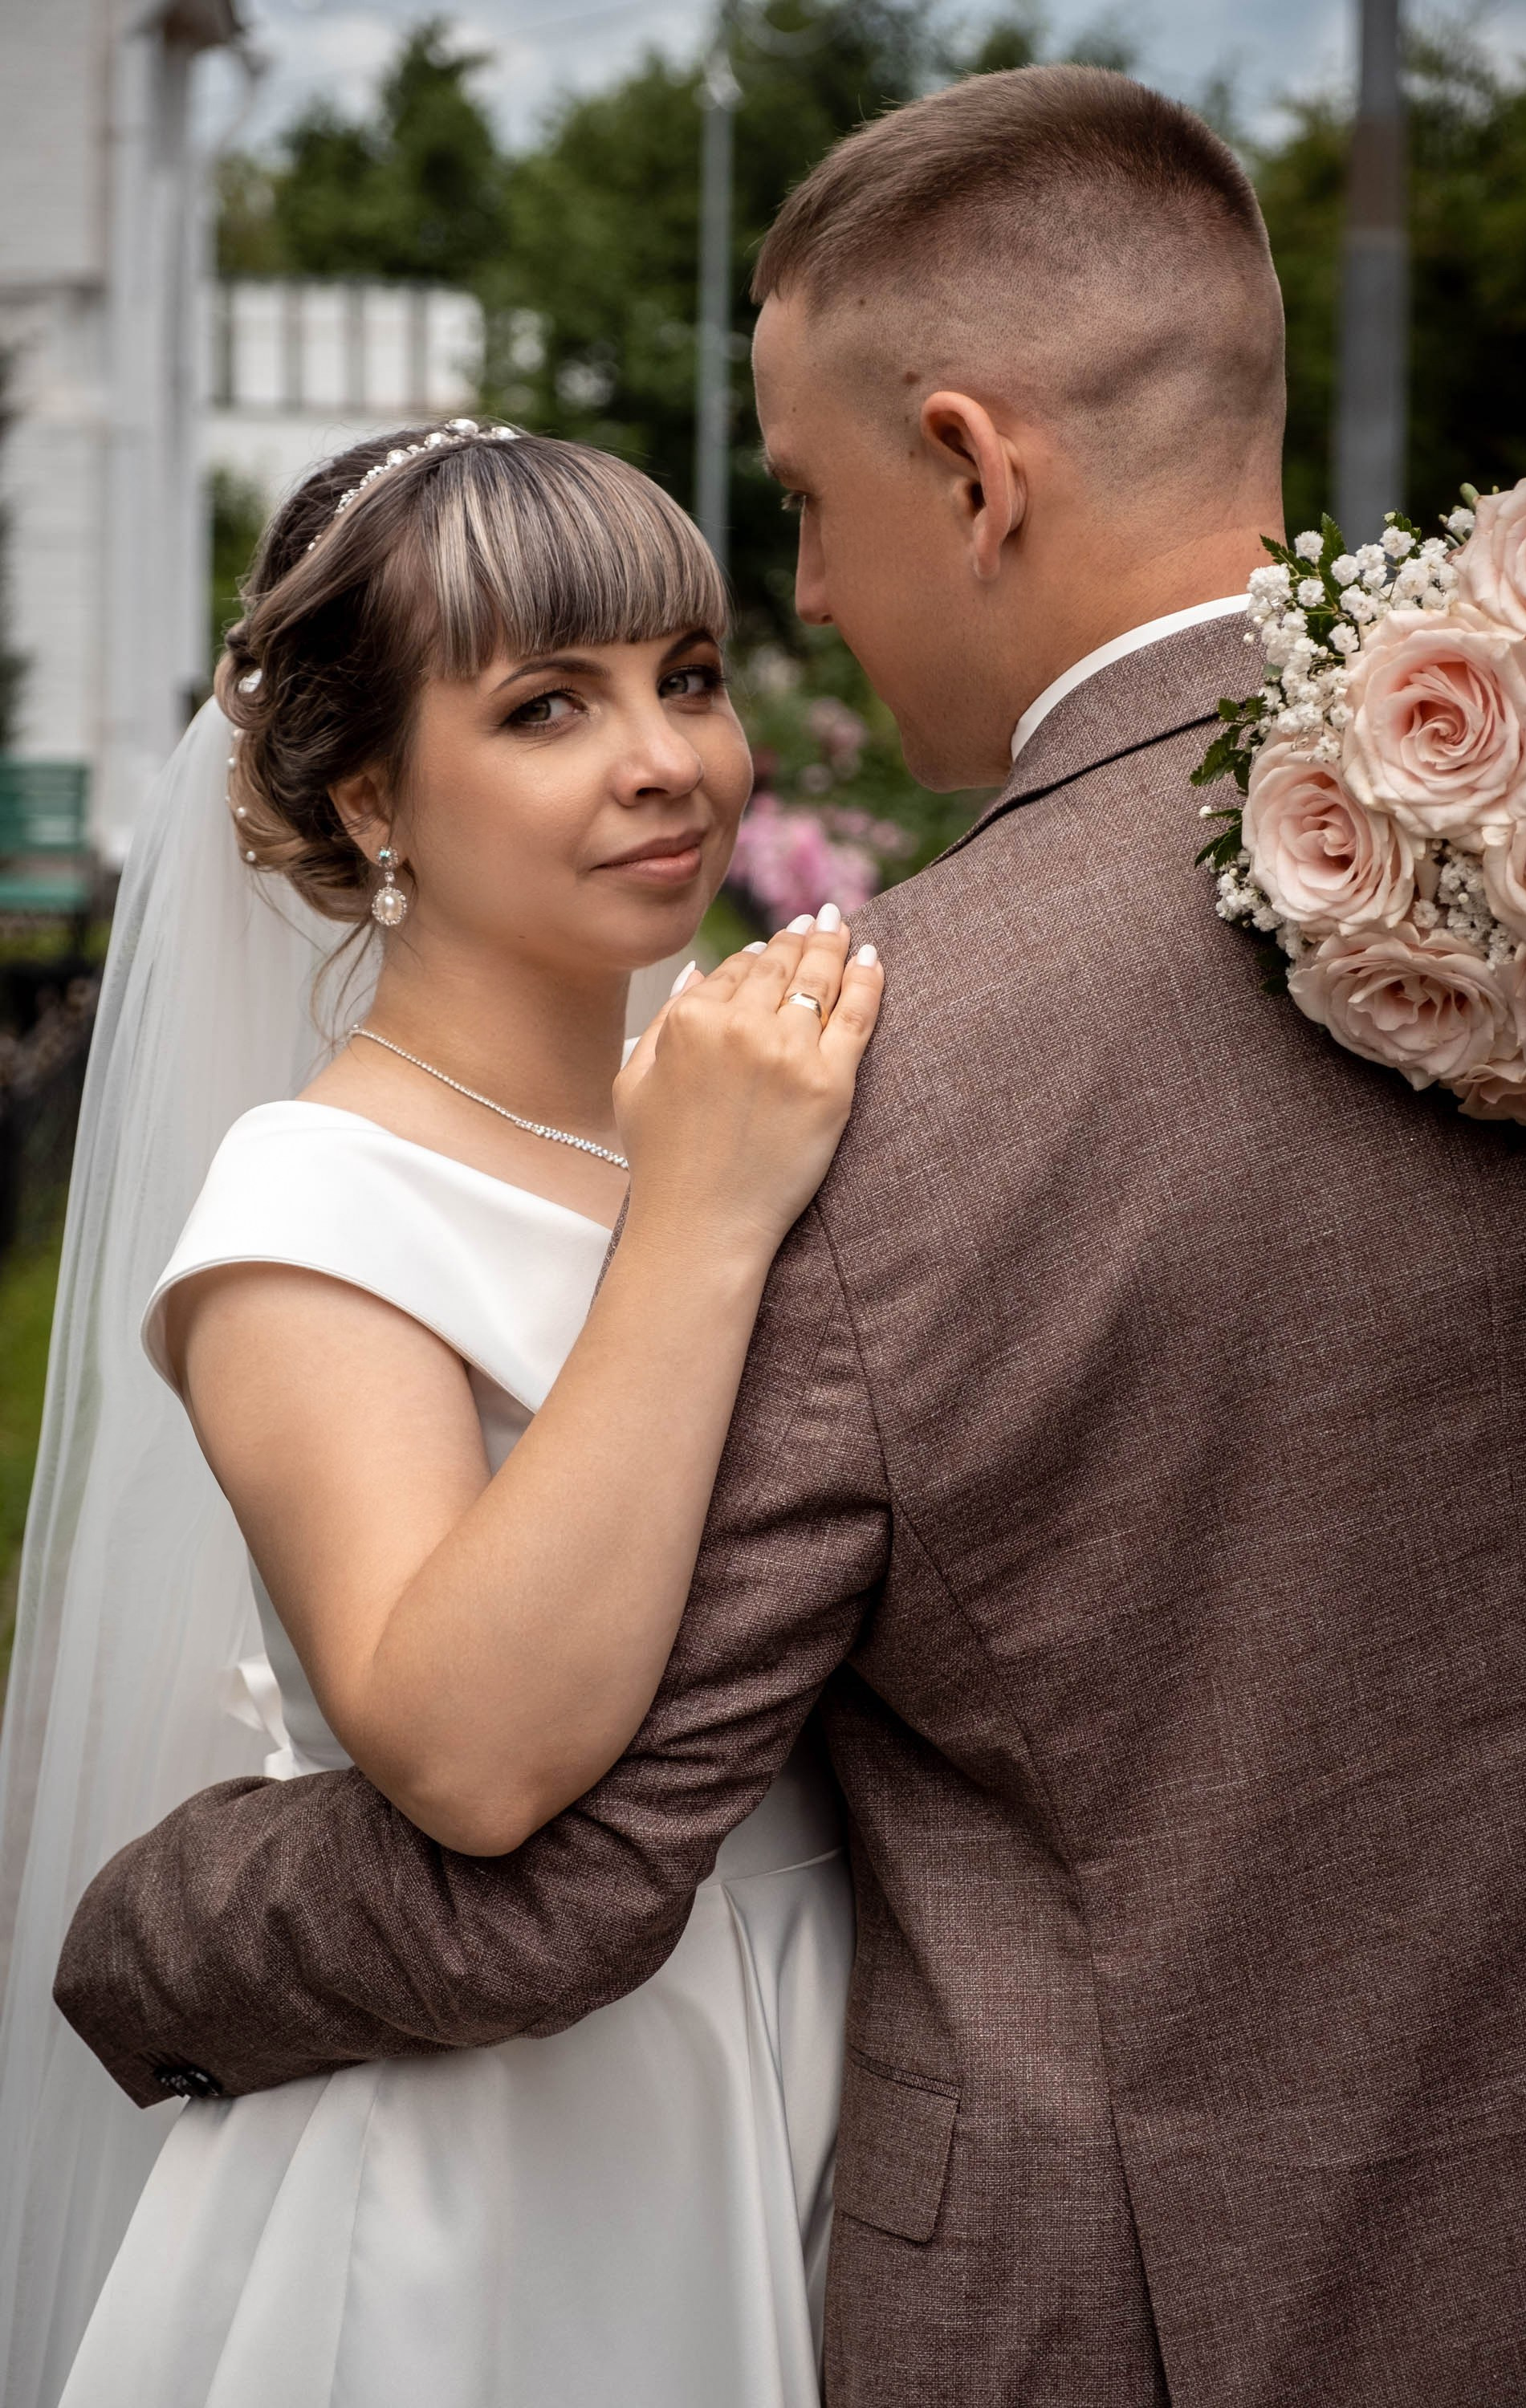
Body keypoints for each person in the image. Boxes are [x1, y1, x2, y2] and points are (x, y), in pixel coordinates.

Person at [55, 62, 1526, 2408]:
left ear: (972, 469)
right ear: (367, 792)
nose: (714, 709)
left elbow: (551, 1857)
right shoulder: (1520, 868)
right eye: (552, 705)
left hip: (1021, 2206)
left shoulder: (883, 1079)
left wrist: (145, 1938)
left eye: (726, 613)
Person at [0, 425, 882, 2408]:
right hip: (517, 2156)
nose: (666, 757)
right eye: (548, 706)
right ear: (367, 790)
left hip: (818, 2031)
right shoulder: (315, 1206)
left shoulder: (727, 1075)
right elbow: (470, 1760)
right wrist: (702, 1225)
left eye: (689, 674)